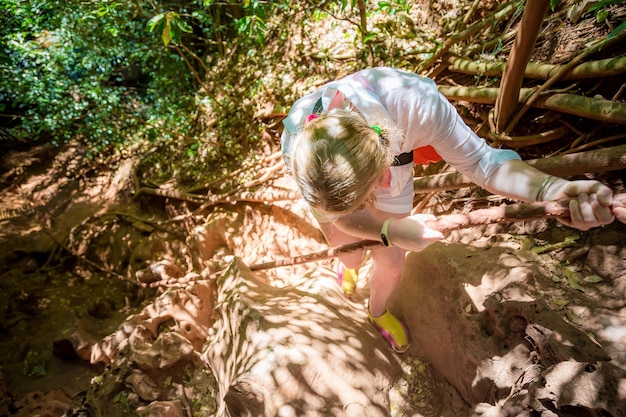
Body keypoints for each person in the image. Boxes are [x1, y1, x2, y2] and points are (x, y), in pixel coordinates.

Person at [280, 67, 622, 353]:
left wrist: (552, 190)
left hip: (391, 154)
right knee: (350, 253)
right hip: (339, 186)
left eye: (375, 185)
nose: (383, 190)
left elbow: (483, 163)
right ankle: (350, 267)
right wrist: (387, 230)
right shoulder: (302, 151)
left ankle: (377, 311)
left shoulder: (417, 106)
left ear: (383, 167)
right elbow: (340, 214)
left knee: (392, 263)